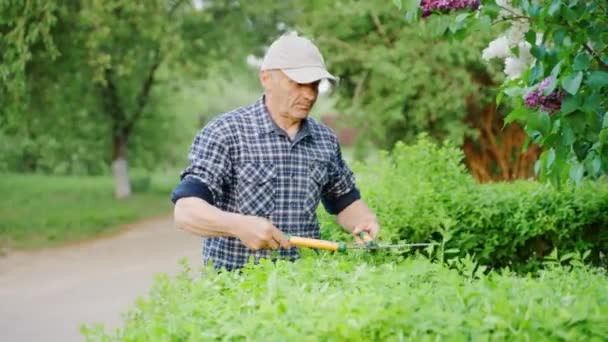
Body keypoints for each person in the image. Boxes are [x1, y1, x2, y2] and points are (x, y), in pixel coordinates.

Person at [171, 33, 380, 271]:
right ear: (266, 78)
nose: (310, 95)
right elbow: (186, 212)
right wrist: (237, 225)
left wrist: (363, 222)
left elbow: (345, 202)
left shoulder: (325, 140)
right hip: (236, 291)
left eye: (314, 85)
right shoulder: (225, 133)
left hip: (304, 286)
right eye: (299, 83)